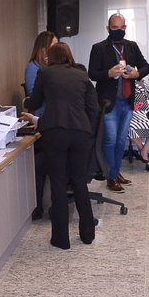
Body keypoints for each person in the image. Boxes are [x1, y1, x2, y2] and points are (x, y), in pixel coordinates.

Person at [24, 42, 99, 250]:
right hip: (80, 133)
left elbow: (35, 103)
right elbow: (93, 108)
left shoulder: (45, 73)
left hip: (55, 132)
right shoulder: (82, 76)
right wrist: (84, 125)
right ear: (69, 56)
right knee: (79, 182)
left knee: (57, 184)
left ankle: (61, 239)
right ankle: (87, 235)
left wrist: (26, 104)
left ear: (50, 57)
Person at [88, 13, 149, 193]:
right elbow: (92, 73)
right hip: (109, 103)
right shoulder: (99, 48)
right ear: (108, 28)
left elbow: (145, 66)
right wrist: (109, 73)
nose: (119, 31)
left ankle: (116, 171)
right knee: (110, 140)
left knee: (121, 140)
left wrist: (137, 74)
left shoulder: (131, 46)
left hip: (127, 101)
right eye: (115, 28)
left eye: (122, 27)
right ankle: (110, 177)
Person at [24, 31, 57, 220]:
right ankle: (37, 206)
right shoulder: (33, 67)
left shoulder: (52, 67)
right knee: (39, 163)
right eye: (53, 44)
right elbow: (33, 96)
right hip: (42, 119)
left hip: (53, 121)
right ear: (43, 48)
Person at [128, 77, 149, 171]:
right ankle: (141, 149)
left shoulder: (141, 82)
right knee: (130, 125)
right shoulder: (122, 82)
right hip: (131, 109)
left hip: (147, 109)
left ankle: (144, 150)